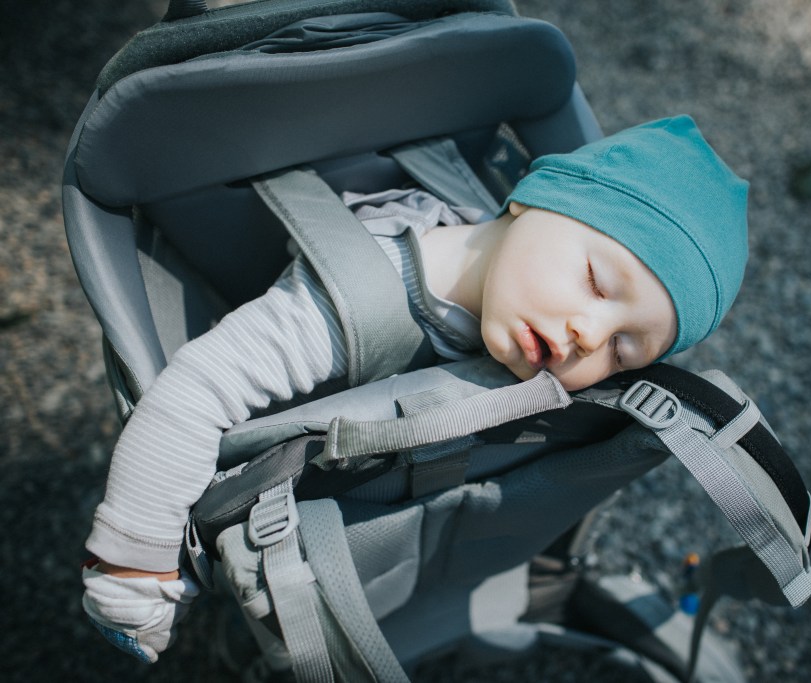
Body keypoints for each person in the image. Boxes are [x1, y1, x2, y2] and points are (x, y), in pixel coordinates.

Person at [81, 115, 750, 663]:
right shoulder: (346, 306)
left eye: (623, 347)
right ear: (530, 200)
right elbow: (195, 390)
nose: (588, 332)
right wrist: (133, 564)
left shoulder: (528, 301)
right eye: (599, 284)